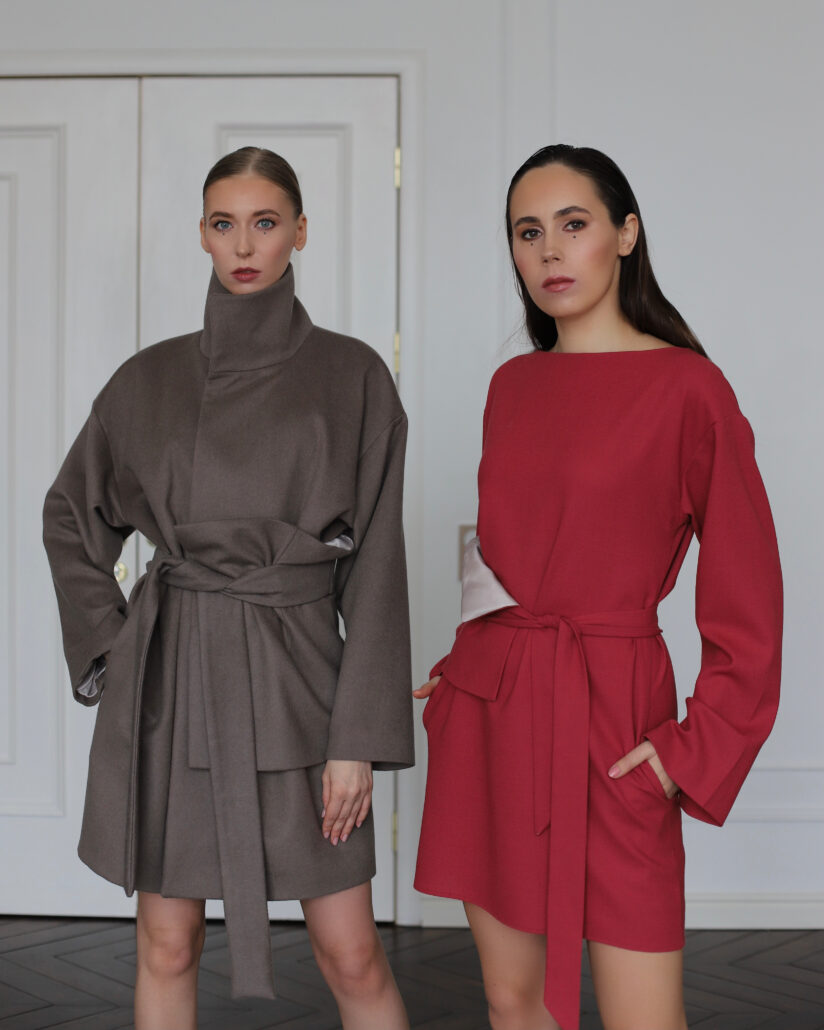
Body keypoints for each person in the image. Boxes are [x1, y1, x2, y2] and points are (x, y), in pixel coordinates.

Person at [43, 146, 412, 1030]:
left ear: (300, 232)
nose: (244, 245)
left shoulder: (353, 375)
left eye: (265, 222)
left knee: (351, 953)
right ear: (202, 235)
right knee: (167, 945)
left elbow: (376, 566)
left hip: (302, 686)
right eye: (224, 224)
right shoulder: (147, 380)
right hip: (175, 689)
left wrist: (357, 739)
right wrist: (117, 652)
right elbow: (70, 515)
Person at [414, 144, 782, 1030]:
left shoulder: (690, 388)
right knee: (513, 1004)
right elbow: (501, 551)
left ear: (625, 234)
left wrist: (694, 749)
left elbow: (750, 597)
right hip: (495, 711)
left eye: (572, 225)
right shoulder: (512, 386)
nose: (549, 250)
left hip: (615, 718)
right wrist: (465, 665)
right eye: (526, 232)